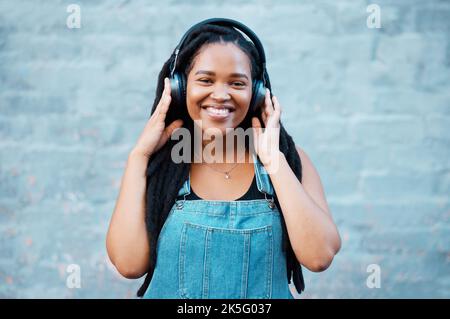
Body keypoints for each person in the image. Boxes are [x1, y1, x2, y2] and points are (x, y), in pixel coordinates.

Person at [106, 18, 341, 299]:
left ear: (256, 93)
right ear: (180, 86)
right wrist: (138, 156)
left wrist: (272, 159)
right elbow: (129, 265)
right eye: (205, 80)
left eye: (237, 83)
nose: (220, 95)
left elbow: (319, 257)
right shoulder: (157, 165)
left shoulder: (287, 160)